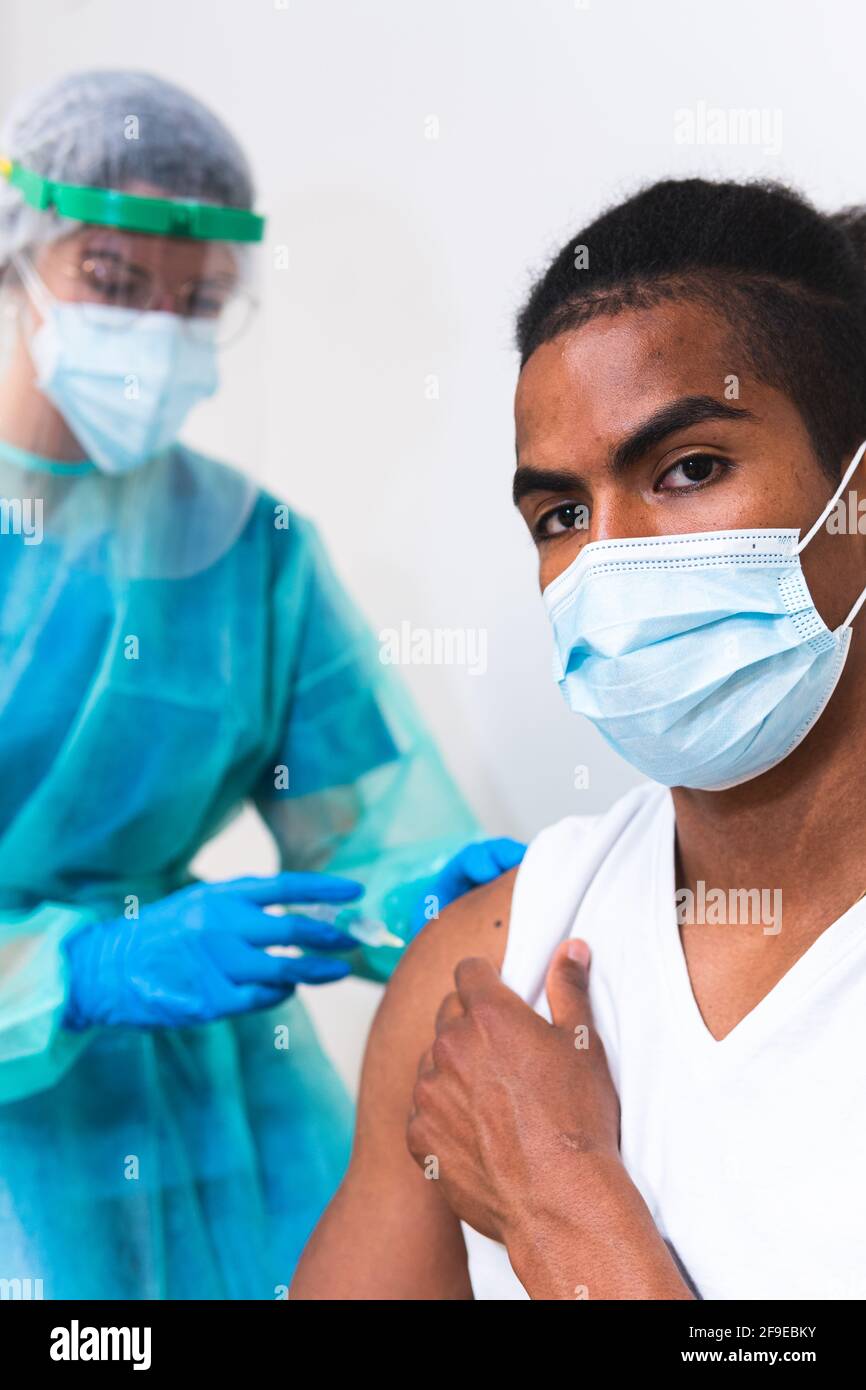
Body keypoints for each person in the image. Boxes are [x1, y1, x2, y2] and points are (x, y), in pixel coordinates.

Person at [0, 69, 523, 1300]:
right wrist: (69, 972)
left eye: (198, 302)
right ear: (19, 253)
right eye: (117, 285)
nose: (157, 331)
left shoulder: (249, 549)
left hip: (213, 1119)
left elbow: (370, 828)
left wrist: (416, 904)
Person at [293, 177, 866, 1300]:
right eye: (560, 515)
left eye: (686, 468)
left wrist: (561, 1204)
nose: (607, 562)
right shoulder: (487, 976)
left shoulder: (488, 1033)